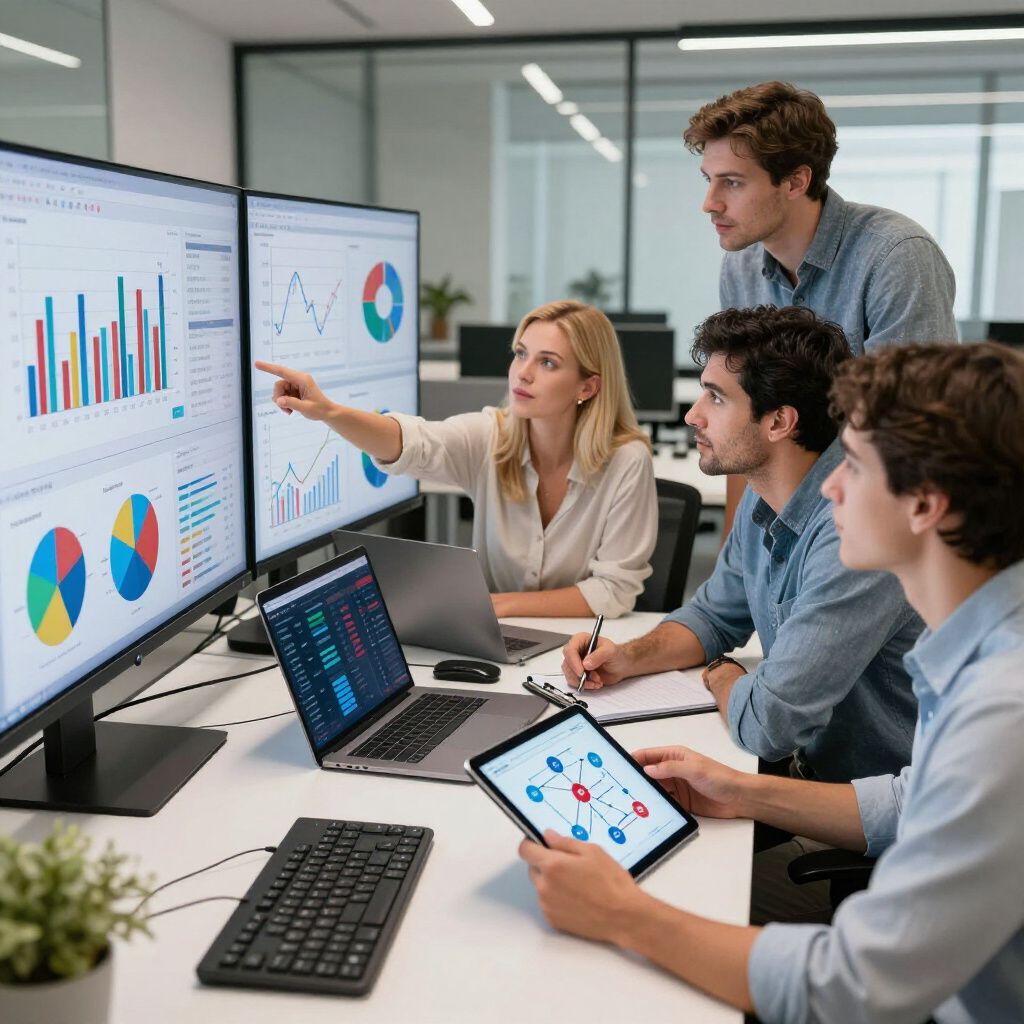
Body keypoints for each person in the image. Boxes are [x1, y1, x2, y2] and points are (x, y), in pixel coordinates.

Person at [522, 341, 1024, 1023]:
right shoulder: (978, 643)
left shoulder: (1005, 708)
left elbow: (854, 987)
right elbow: (914, 804)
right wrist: (742, 790)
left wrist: (623, 914)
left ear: (927, 505)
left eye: (856, 464)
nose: (832, 486)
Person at [563, 305, 920, 785]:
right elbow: (712, 617)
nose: (693, 415)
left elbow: (768, 725)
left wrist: (722, 674)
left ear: (779, 423)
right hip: (808, 775)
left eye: (715, 398)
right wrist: (628, 656)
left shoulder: (852, 532)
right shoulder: (763, 495)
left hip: (878, 811)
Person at [255, 299, 657, 619]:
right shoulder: (492, 437)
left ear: (587, 386)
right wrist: (330, 412)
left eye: (547, 362)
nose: (523, 373)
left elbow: (613, 591)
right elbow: (411, 442)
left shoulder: (627, 460)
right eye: (521, 354)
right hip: (497, 644)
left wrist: (498, 605)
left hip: (584, 651)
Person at [683, 80, 959, 534]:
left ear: (796, 181)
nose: (709, 203)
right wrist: (737, 566)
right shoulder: (741, 268)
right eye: (709, 181)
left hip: (880, 516)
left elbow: (910, 431)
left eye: (732, 183)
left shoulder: (895, 256)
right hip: (787, 508)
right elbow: (740, 426)